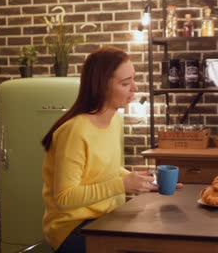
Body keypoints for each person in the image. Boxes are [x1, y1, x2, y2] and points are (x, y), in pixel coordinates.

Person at [41, 46, 166, 252]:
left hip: (105, 218)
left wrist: (145, 181)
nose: (134, 88)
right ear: (102, 87)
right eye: (126, 83)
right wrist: (122, 184)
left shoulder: (115, 120)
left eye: (133, 79)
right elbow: (64, 198)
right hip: (72, 229)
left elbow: (106, 168)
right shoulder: (75, 131)